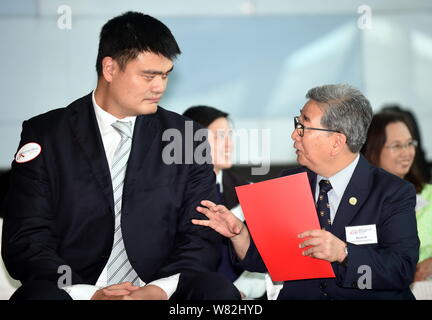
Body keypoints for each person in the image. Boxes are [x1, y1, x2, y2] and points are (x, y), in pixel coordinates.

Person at [1, 11, 240, 300]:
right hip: (75, 292)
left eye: (165, 75)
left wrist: (156, 291)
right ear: (110, 69)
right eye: (149, 76)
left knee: (217, 292)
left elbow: (201, 235)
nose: (160, 87)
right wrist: (88, 294)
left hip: (160, 289)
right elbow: (26, 238)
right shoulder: (47, 134)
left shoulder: (187, 136)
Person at [192, 84, 419, 299]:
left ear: (337, 141)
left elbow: (401, 271)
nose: (294, 135)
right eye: (296, 124)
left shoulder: (392, 192)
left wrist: (344, 253)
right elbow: (266, 260)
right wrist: (239, 235)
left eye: (303, 127)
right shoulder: (289, 182)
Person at [183, 105, 266, 299]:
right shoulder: (170, 192)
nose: (229, 144)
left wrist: (238, 292)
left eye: (229, 136)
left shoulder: (248, 191)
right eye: (219, 136)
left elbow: (262, 259)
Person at [361, 112, 432, 283]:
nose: (406, 152)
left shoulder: (429, 194)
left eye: (409, 144)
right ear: (373, 150)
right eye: (396, 146)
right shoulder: (359, 201)